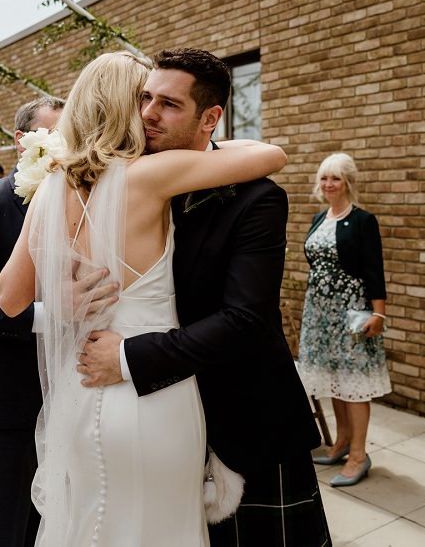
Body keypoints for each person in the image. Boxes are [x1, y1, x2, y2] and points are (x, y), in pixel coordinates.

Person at [0, 51, 288, 546]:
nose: (152, 111)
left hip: (78, 391)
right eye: (144, 98)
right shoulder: (151, 177)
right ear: (126, 107)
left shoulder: (49, 187)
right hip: (153, 397)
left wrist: (60, 305)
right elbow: (271, 155)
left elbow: (8, 299)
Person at [77, 48, 331, 546]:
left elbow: (245, 319)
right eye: (145, 97)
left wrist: (127, 356)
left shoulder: (257, 199)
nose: (148, 113)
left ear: (210, 117)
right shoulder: (123, 181)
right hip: (155, 426)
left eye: (169, 104)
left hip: (242, 422)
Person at [298, 153, 391, 487]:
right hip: (320, 314)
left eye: (334, 178)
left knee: (354, 387)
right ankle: (341, 444)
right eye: (324, 178)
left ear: (348, 182)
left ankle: (358, 455)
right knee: (334, 383)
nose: (328, 185)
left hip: (351, 313)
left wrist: (378, 313)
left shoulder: (364, 221)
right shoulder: (319, 219)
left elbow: (373, 270)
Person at [0, 95, 64, 547]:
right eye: (56, 136)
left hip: (75, 394)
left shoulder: (86, 200)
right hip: (11, 396)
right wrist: (48, 317)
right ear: (23, 140)